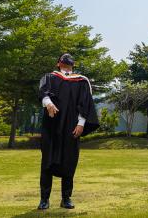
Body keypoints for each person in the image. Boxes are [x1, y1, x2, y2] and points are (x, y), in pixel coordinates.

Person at [37, 53, 99, 210]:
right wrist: (48, 103)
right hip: (51, 126)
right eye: (64, 62)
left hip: (72, 126)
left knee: (69, 161)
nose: (66, 64)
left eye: (69, 62)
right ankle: (44, 199)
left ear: (73, 64)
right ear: (58, 63)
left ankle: (66, 198)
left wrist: (81, 123)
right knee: (47, 161)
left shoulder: (81, 81)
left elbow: (85, 103)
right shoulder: (49, 77)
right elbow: (43, 92)